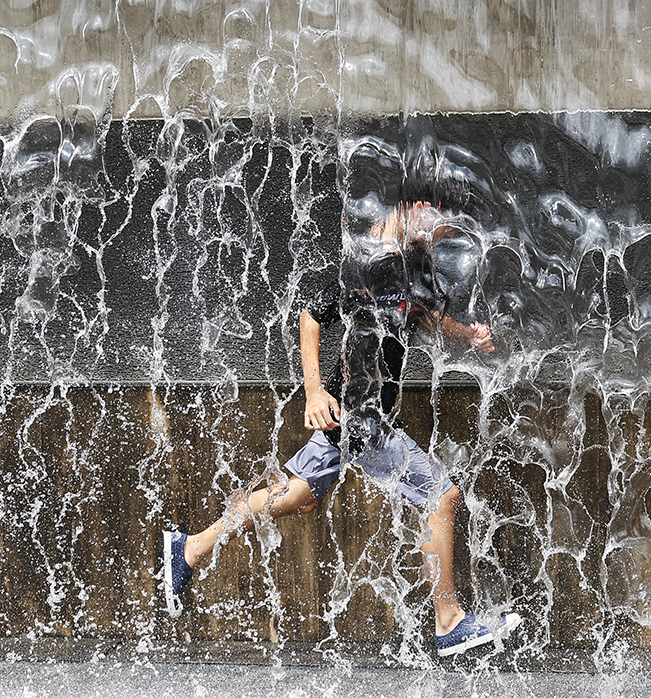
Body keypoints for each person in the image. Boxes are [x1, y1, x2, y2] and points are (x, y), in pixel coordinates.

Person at [162, 200, 522, 657]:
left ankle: (190, 548)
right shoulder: (367, 264)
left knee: (299, 497)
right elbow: (312, 316)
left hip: (355, 412)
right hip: (355, 412)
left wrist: (469, 333)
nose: (441, 233)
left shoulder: (410, 271)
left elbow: (427, 315)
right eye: (437, 221)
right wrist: (313, 392)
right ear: (412, 208)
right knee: (441, 495)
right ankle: (448, 621)